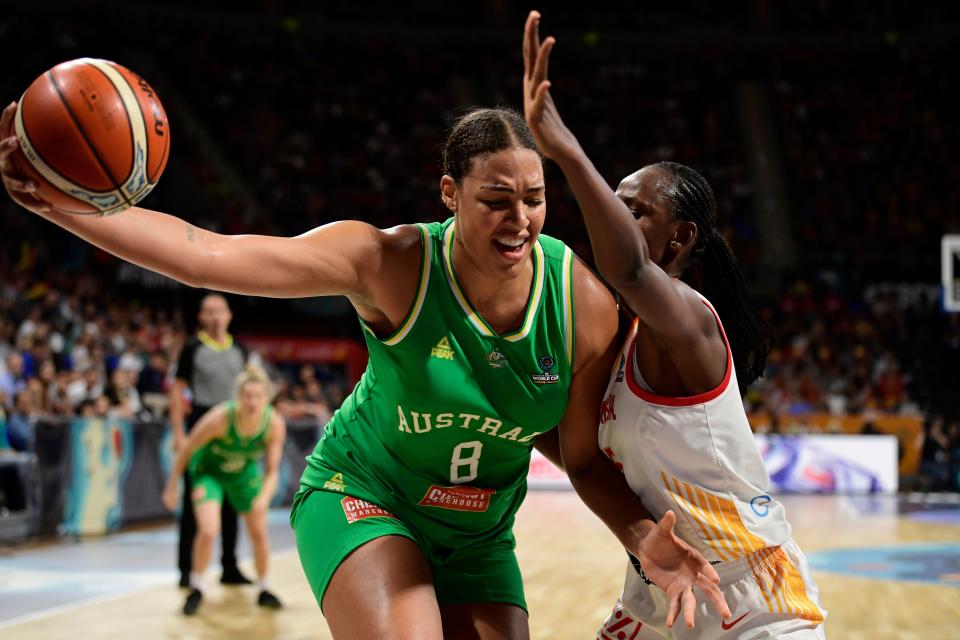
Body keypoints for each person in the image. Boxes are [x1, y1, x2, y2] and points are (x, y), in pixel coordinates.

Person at [0, 91, 727, 636]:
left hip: (478, 536)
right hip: (366, 495)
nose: (520, 220)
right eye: (495, 200)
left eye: (534, 200)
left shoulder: (583, 305)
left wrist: (641, 540)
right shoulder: (388, 262)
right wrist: (63, 207)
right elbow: (205, 254)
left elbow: (583, 461)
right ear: (450, 195)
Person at [522, 11, 826, 638]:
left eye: (635, 210)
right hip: (659, 588)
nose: (616, 218)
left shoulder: (691, 322)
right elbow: (583, 461)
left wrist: (565, 150)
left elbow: (630, 270)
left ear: (679, 238)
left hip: (753, 589)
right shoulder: (614, 343)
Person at [161, 365, 286, 615]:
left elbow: (272, 470)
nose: (252, 402)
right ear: (238, 397)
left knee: (259, 531)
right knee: (208, 530)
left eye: (257, 396)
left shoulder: (273, 423)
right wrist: (173, 484)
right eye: (247, 396)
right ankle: (196, 587)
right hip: (210, 473)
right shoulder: (220, 418)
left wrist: (264, 497)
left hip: (243, 474)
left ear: (266, 398)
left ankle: (264, 588)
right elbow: (186, 448)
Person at [170, 294, 252, 587]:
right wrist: (179, 433)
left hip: (232, 432)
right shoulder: (192, 348)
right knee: (195, 505)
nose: (215, 316)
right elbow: (177, 390)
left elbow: (250, 391)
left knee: (231, 502)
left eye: (220, 310)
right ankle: (186, 572)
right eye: (209, 311)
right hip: (201, 429)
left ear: (229, 315)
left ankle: (229, 567)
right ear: (200, 318)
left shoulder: (242, 350)